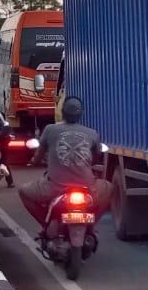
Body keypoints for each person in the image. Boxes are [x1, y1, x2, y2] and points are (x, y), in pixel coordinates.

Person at [20, 96, 113, 228]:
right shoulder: (92, 133)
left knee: (23, 191)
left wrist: (34, 161)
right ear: (81, 113)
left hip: (54, 187)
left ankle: (46, 224)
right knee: (109, 188)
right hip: (88, 187)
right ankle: (91, 223)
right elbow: (95, 157)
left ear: (62, 112)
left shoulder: (49, 129)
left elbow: (38, 156)